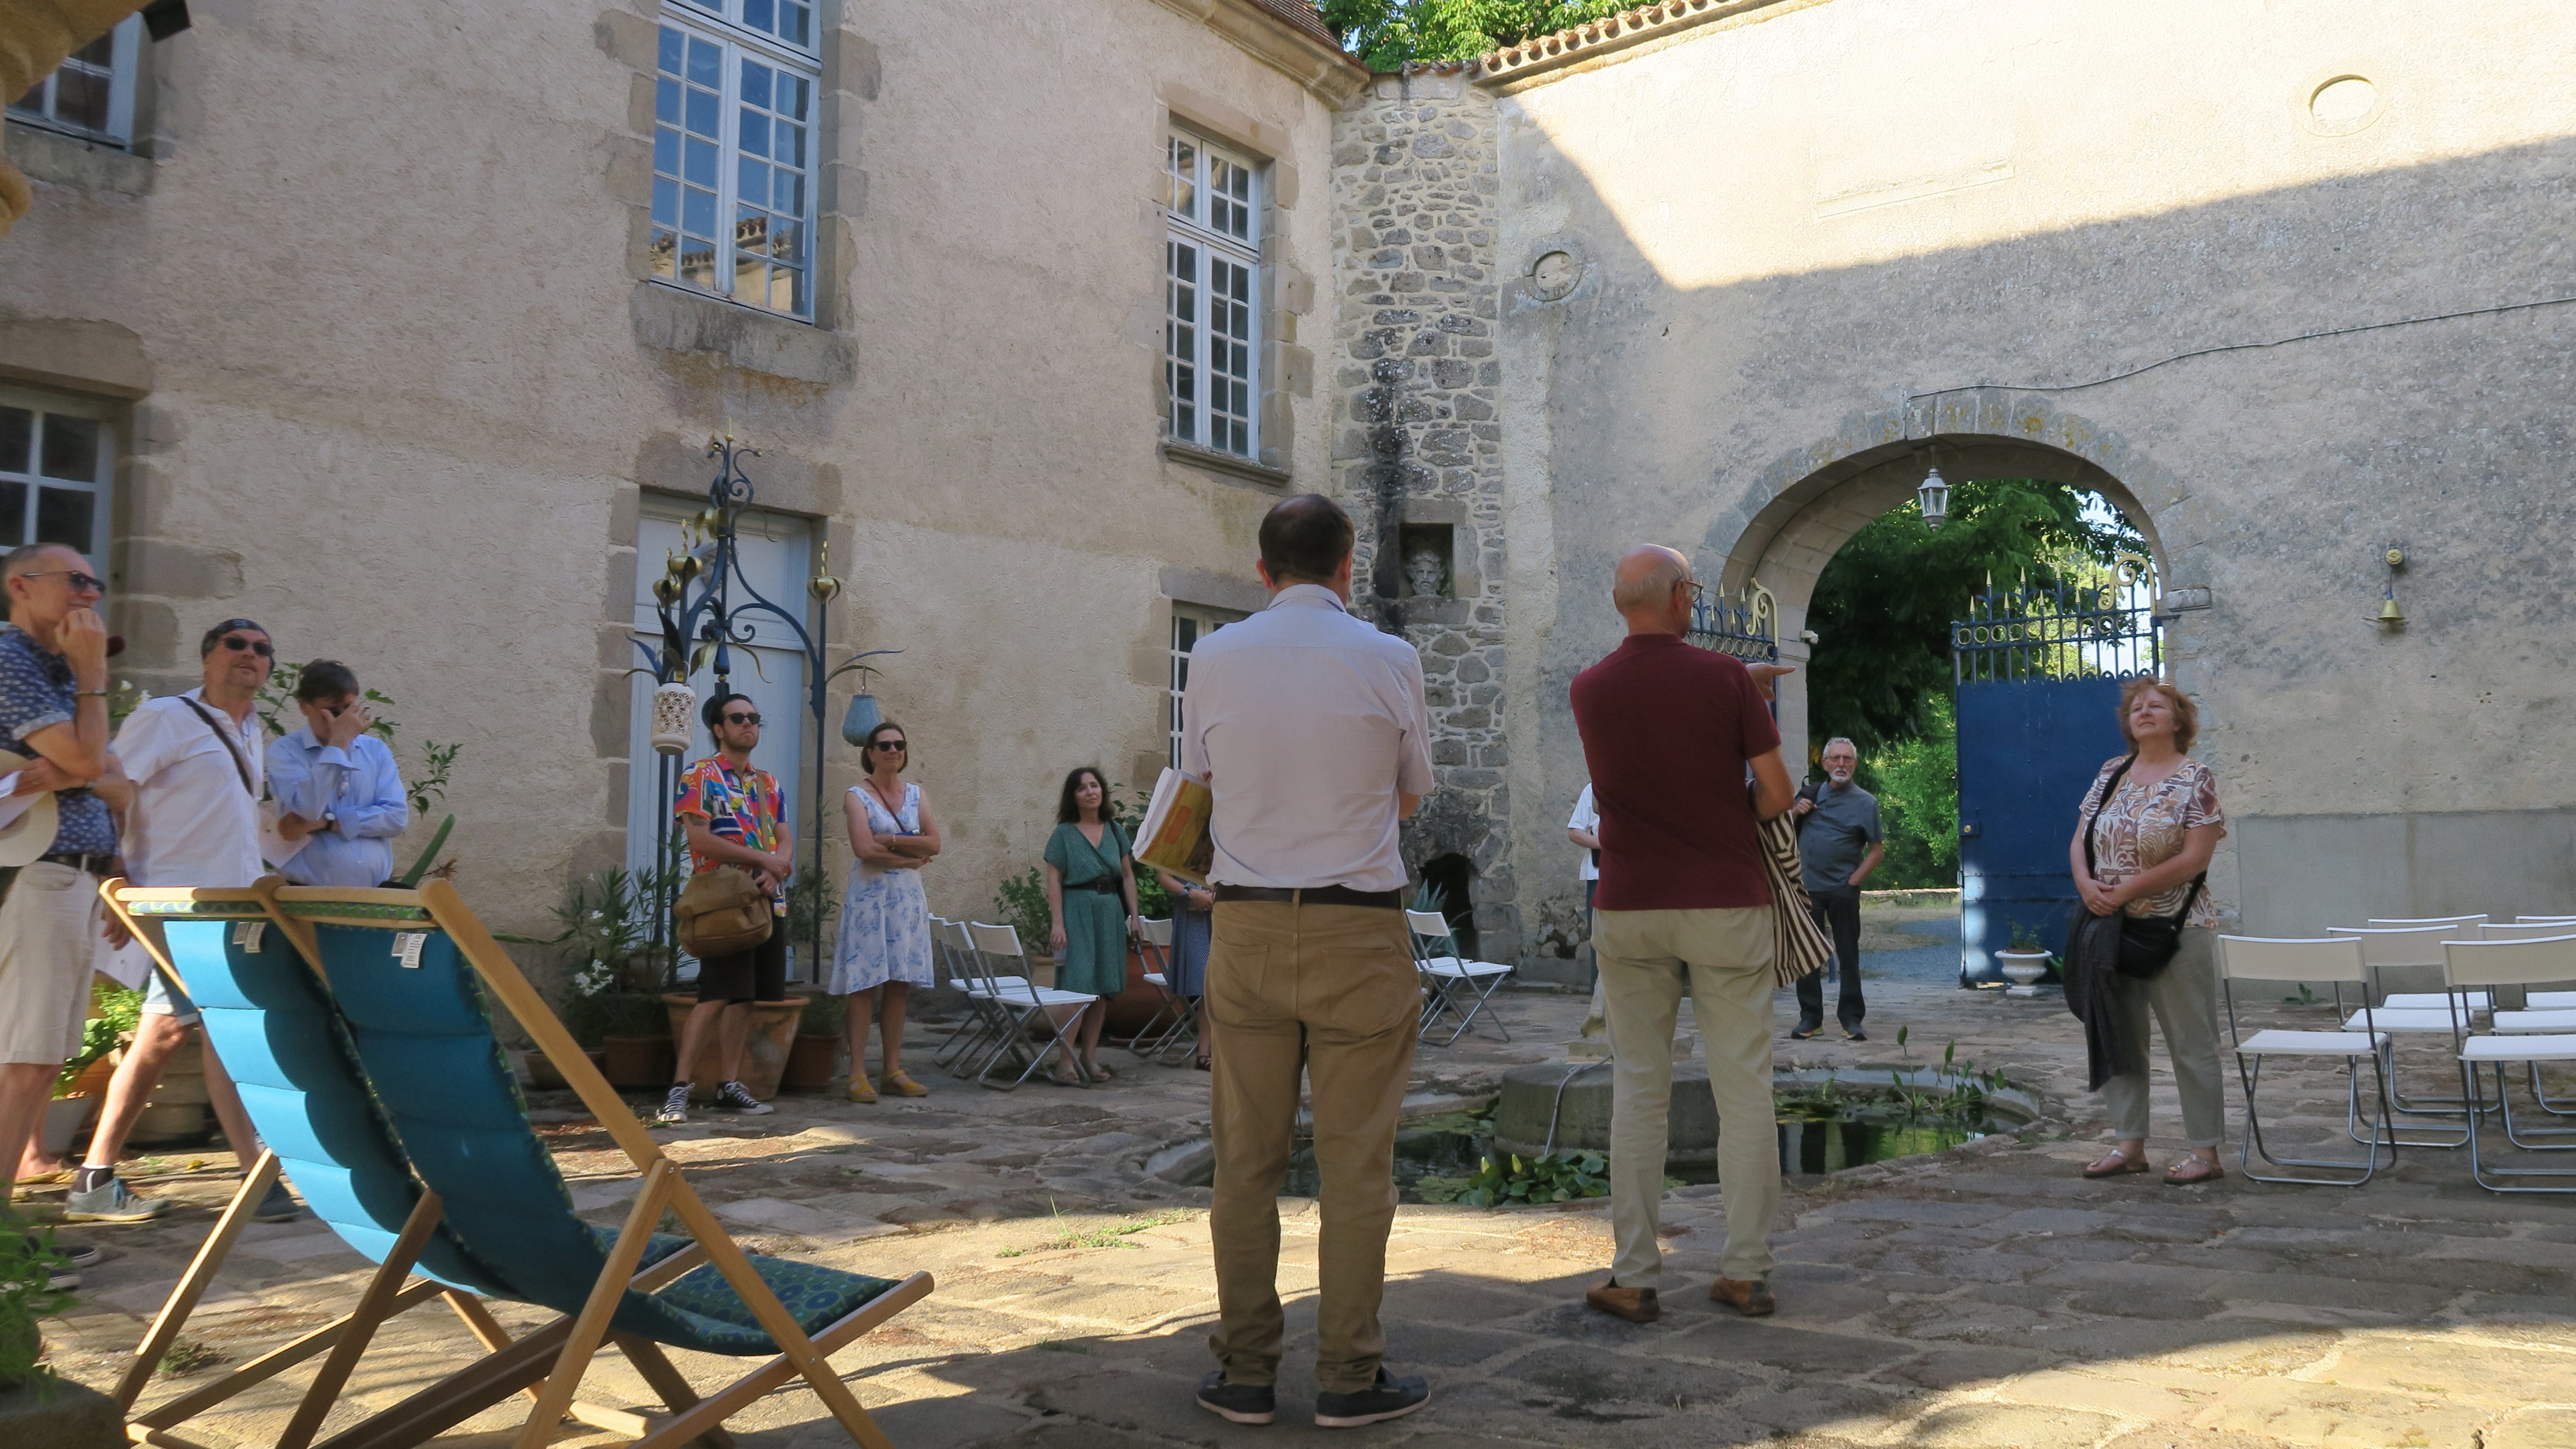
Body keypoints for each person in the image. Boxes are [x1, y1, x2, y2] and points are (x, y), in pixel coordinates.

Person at [1180, 494, 1435, 1429]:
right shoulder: (1390, 656)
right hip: (1356, 927)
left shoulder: (1212, 656)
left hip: (1246, 926)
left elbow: (1198, 787)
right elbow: (1411, 795)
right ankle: (1349, 1374)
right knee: (1356, 1166)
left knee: (1243, 1163)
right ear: (1347, 565)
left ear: (1261, 569)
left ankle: (1245, 1371)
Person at [1570, 544, 1795, 1326]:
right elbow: (1777, 793)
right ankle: (1746, 1272)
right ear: (1677, 597)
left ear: (1618, 602)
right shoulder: (1726, 678)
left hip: (1628, 903)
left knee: (1638, 1090)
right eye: (1692, 590)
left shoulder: (1589, 688)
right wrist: (1735, 809)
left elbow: (1654, 732)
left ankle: (1633, 1275)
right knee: (1744, 1090)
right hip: (1725, 902)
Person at [68, 618, 299, 1227]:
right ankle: (254, 1176)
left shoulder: (253, 730)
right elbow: (109, 786)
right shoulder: (167, 717)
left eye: (261, 649)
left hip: (231, 907)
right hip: (176, 903)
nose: (249, 654)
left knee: (167, 1034)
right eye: (235, 644)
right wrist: (117, 878)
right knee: (217, 1027)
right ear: (207, 659)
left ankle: (95, 1175)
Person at [0, 545, 122, 1287]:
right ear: (20, 586)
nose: (89, 593)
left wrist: (80, 762)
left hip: (70, 876)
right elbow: (90, 764)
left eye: (95, 582)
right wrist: (95, 677)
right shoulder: (12, 658)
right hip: (36, 875)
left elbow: (113, 777)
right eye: (74, 580)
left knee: (40, 1059)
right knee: (25, 1060)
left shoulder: (59, 668)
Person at [2072, 678, 2228, 1186]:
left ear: (2178, 720)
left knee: (2192, 1043)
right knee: (2119, 1037)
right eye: (2136, 707)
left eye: (2156, 705)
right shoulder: (2110, 772)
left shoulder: (2195, 777)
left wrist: (2125, 889)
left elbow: (2196, 857)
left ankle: (2205, 1153)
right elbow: (2081, 838)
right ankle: (2129, 1147)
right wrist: (2086, 885)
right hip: (2112, 927)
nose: (2143, 711)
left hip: (2176, 928)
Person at [658, 693, 788, 1125]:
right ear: (719, 728)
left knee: (744, 998)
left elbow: (785, 837)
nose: (748, 724)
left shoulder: (768, 783)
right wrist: (765, 859)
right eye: (738, 718)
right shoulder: (699, 775)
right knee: (715, 995)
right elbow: (700, 839)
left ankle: (729, 1084)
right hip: (723, 903)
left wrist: (777, 867)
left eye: (754, 717)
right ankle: (679, 1088)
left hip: (766, 901)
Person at [831, 719, 937, 1103]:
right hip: (869, 901)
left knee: (898, 983)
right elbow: (863, 848)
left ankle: (893, 1069)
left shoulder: (916, 795)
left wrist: (889, 840)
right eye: (885, 745)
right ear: (871, 753)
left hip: (905, 901)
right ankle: (857, 1073)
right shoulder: (856, 796)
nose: (894, 750)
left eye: (899, 745)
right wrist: (909, 856)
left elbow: (935, 843)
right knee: (863, 985)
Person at [267, 659, 409, 887]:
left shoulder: (375, 750)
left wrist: (327, 823)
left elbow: (396, 819)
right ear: (304, 707)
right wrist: (337, 746)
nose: (344, 721)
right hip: (308, 893)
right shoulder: (284, 751)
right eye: (334, 711)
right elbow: (307, 809)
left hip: (372, 891)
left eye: (349, 710)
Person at [1042, 766, 1138, 1086]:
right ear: (1074, 796)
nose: (1090, 792)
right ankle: (1064, 1061)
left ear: (1103, 791)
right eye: (1082, 788)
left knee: (1102, 988)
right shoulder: (1064, 834)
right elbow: (1053, 879)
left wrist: (1135, 917)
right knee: (1077, 986)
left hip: (1110, 912)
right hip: (1077, 911)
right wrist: (1058, 923)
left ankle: (1090, 1057)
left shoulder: (1115, 831)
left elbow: (1127, 876)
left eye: (1095, 786)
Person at [1787, 736, 1882, 1041]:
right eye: (1836, 759)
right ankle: (1810, 1019)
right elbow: (1779, 833)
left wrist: (1853, 881)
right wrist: (1795, 812)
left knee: (1848, 955)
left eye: (1847, 759)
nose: (1842, 764)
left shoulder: (1866, 803)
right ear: (1825, 763)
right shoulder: (1809, 796)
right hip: (1807, 890)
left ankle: (1851, 1019)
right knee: (1807, 955)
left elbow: (1877, 851)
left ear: (1855, 764)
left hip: (1843, 891)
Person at [1151, 865, 1215, 1070]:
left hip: (1222, 909)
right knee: (1207, 984)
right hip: (1190, 911)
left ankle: (1215, 1051)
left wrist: (1215, 898)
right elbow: (1163, 876)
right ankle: (1204, 1053)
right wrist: (1191, 893)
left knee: (1219, 985)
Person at [1567, 783, 1601, 913]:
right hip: (1599, 875)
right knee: (1597, 924)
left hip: (1638, 874)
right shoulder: (1594, 789)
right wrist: (1607, 845)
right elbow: (1575, 832)